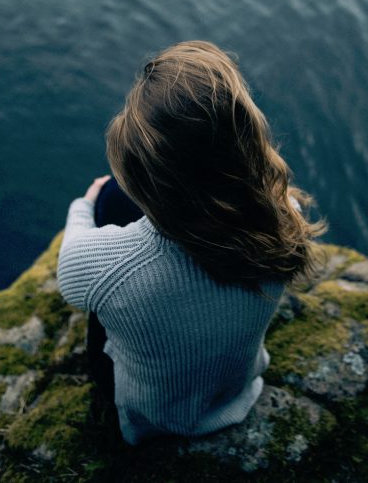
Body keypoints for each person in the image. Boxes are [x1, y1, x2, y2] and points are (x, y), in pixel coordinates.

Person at [57, 40, 326, 446]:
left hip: (154, 418)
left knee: (110, 200)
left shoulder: (104, 266)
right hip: (236, 393)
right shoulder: (285, 218)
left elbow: (70, 264)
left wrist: (85, 202)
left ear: (153, 186)